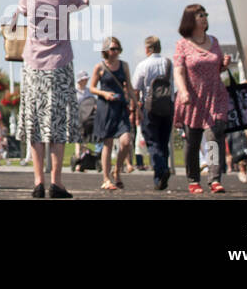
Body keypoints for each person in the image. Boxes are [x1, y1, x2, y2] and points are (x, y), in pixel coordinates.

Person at [10, 0, 89, 199]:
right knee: (58, 123)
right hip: (60, 64)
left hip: (33, 65)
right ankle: (56, 182)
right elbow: (85, 0)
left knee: (35, 122)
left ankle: (37, 182)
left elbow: (22, 5)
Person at [172, 4, 232, 194]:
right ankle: (193, 179)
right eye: (200, 15)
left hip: (215, 96)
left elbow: (216, 68)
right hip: (192, 98)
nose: (204, 18)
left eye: (205, 14)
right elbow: (178, 70)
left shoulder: (214, 41)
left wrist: (224, 65)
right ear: (191, 19)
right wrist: (182, 91)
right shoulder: (182, 44)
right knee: (193, 141)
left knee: (214, 138)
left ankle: (214, 179)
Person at [89, 36, 136, 190]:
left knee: (126, 141)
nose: (115, 52)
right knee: (107, 144)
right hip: (106, 107)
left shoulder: (124, 65)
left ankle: (117, 169)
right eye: (112, 49)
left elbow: (128, 85)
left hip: (121, 107)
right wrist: (104, 94)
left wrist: (136, 104)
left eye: (117, 48)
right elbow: (92, 88)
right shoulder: (100, 67)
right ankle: (106, 178)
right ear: (106, 50)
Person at [133, 36, 174, 190]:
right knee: (164, 141)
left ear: (147, 49)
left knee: (152, 141)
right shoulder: (168, 63)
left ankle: (161, 169)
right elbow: (172, 85)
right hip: (167, 105)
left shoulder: (143, 65)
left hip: (149, 107)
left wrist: (136, 109)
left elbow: (136, 89)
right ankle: (160, 176)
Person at [74, 71, 93, 165]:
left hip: (87, 117)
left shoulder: (88, 91)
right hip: (77, 116)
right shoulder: (74, 91)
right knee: (78, 134)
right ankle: (78, 154)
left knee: (85, 135)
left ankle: (83, 154)